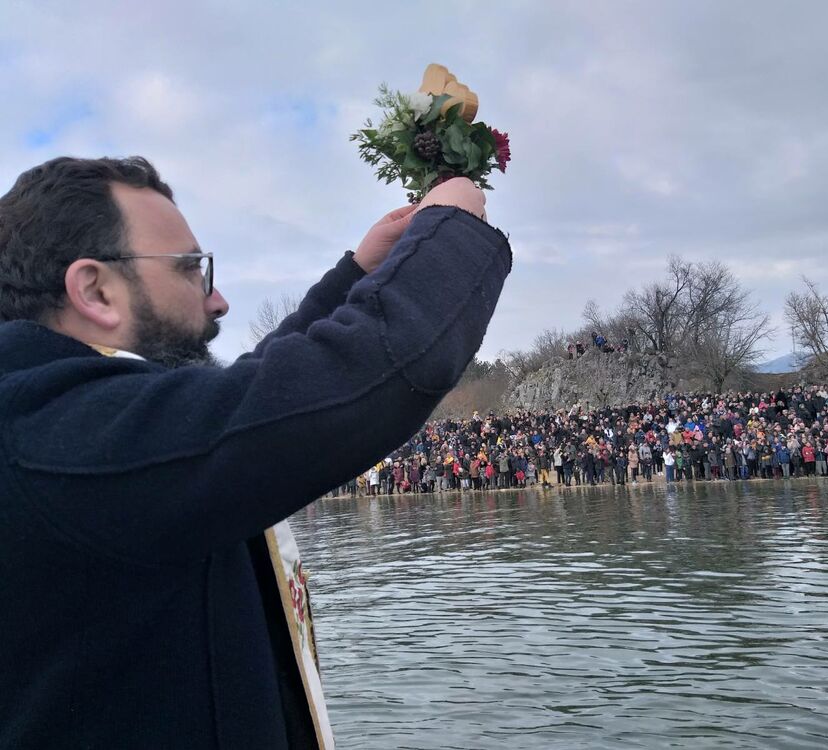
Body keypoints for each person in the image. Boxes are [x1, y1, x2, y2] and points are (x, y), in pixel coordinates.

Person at [0, 157, 510, 749]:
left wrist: (357, 274)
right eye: (192, 269)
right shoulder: (48, 433)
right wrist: (451, 225)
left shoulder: (58, 422)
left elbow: (234, 409)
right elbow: (344, 385)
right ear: (95, 290)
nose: (218, 301)